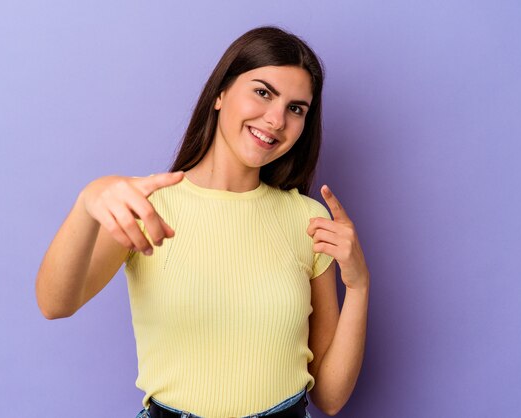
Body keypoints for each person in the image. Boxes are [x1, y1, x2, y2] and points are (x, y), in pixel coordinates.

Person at [35, 26, 370, 418]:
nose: (277, 119)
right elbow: (54, 304)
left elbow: (330, 397)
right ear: (220, 94)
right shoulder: (146, 208)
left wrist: (359, 284)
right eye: (263, 92)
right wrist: (87, 200)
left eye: (296, 108)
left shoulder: (308, 219)